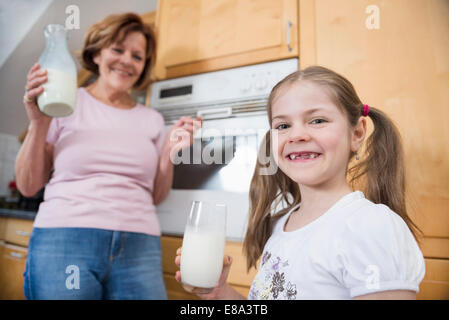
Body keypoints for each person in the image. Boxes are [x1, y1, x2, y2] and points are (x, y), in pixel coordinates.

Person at [175, 66, 425, 300]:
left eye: (317, 120)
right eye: (283, 125)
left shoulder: (371, 227)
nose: (297, 135)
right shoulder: (281, 224)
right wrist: (220, 293)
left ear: (357, 133)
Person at [16, 12, 201, 300]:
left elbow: (154, 196)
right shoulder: (65, 100)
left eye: (137, 56)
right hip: (66, 237)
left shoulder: (152, 120)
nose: (127, 60)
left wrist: (167, 154)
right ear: (98, 53)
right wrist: (39, 123)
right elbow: (28, 186)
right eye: (117, 49)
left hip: (139, 244)